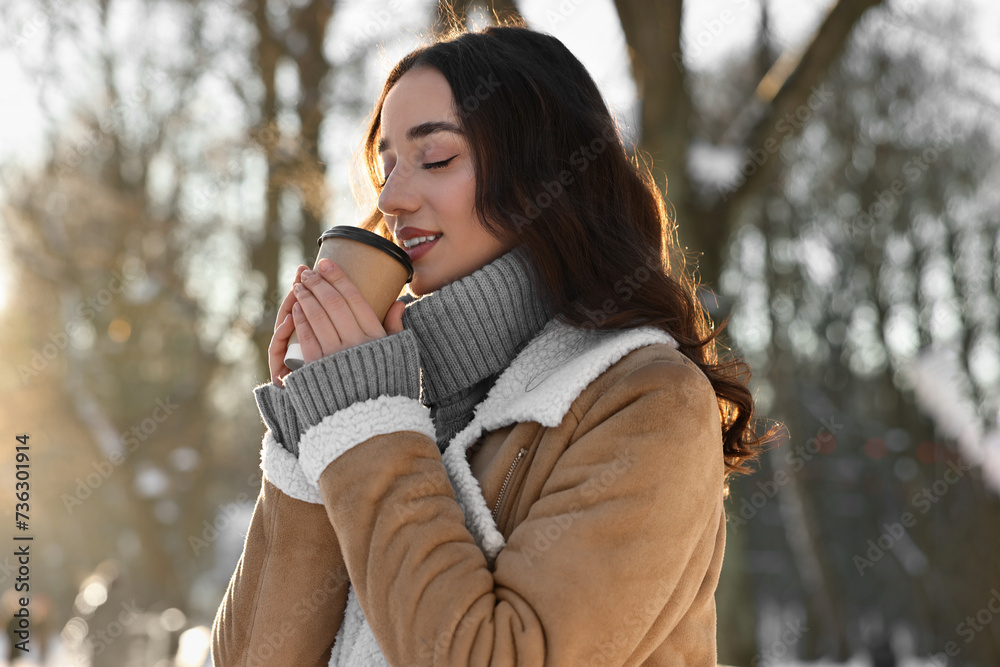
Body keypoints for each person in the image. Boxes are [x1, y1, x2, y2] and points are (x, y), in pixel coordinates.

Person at [212, 19, 776, 667]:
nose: (391, 198)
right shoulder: (400, 401)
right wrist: (311, 421)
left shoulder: (647, 401)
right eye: (386, 164)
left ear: (544, 176)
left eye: (438, 158)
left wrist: (363, 421)